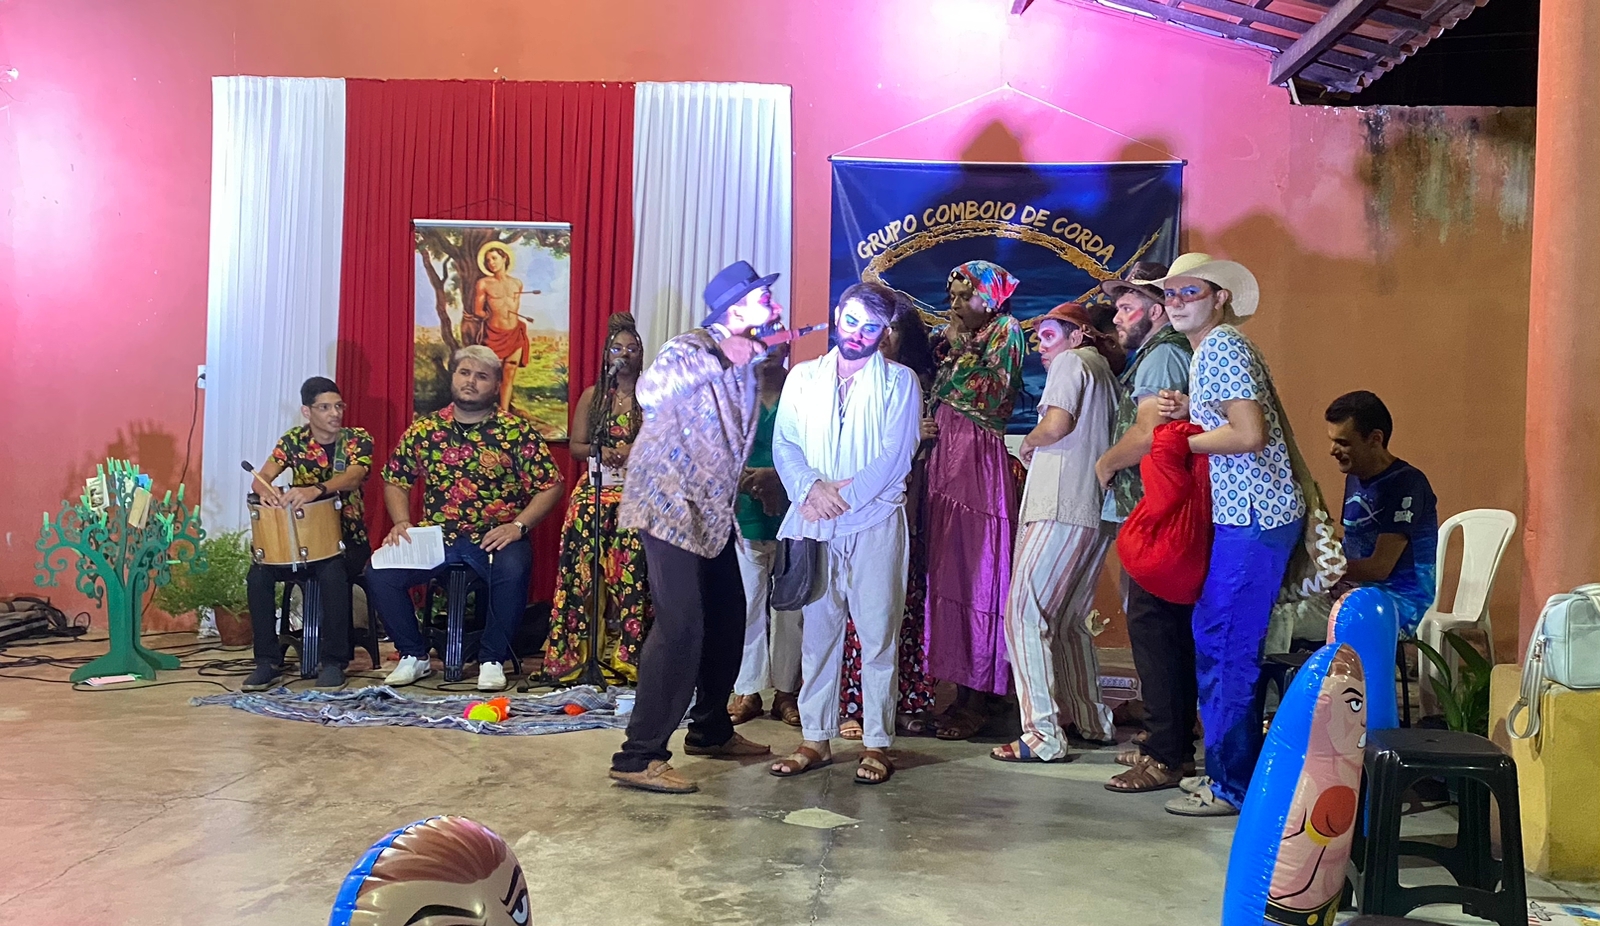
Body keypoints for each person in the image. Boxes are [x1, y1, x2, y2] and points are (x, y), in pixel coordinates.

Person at [608, 260, 780, 794]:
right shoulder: (691, 347)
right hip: (668, 504)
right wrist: (722, 356)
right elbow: (651, 391)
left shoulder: (749, 359)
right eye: (763, 299)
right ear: (735, 309)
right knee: (681, 625)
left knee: (728, 618)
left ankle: (709, 729)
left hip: (709, 510)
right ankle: (638, 755)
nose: (774, 306)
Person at [1154, 253, 1306, 817]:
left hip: (1253, 516)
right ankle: (1227, 771)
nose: (1176, 302)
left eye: (1188, 292)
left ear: (1219, 297)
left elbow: (1248, 433)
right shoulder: (1216, 349)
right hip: (1252, 515)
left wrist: (1180, 442)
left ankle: (1231, 785)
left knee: (1225, 644)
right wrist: (1192, 410)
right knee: (1220, 639)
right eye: (1169, 293)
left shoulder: (1219, 347)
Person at [767, 280, 922, 785]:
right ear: (838, 315)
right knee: (818, 634)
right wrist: (810, 489)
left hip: (874, 521)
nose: (858, 333)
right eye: (852, 321)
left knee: (877, 633)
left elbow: (896, 455)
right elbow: (785, 443)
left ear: (885, 331)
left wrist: (841, 500)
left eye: (871, 327)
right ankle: (815, 738)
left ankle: (876, 742)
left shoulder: (899, 382)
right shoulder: (803, 377)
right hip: (815, 520)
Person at [369, 345, 566, 692]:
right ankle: (413, 654)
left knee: (513, 568)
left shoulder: (515, 431)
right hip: (436, 537)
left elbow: (551, 485)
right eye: (465, 373)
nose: (471, 381)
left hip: (494, 536)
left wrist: (518, 526)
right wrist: (401, 521)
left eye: (481, 376)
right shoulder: (425, 428)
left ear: (496, 385)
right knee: (379, 571)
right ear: (453, 377)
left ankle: (492, 658)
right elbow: (395, 479)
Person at [989, 303, 1122, 763]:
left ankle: (1042, 734)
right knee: (1067, 622)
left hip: (1061, 505)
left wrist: (1028, 442)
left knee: (1024, 615)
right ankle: (1092, 720)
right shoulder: (1104, 373)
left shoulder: (1072, 363)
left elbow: (1057, 423)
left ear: (1077, 335)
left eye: (1048, 336)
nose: (1041, 347)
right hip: (1093, 510)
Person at [1091, 262, 1203, 794]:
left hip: (1154, 517)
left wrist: (1104, 464)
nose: (1117, 316)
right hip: (1163, 515)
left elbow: (1146, 431)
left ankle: (1164, 754)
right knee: (1167, 633)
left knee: (1154, 631)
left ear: (1155, 310)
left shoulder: (1161, 356)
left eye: (1127, 306)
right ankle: (1172, 742)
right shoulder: (1170, 352)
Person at [923, 260, 1028, 741]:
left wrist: (960, 345)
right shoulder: (954, 338)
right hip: (946, 459)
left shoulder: (1007, 331)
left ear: (990, 296)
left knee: (976, 573)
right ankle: (958, 685)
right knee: (948, 570)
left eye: (965, 295)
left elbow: (990, 391)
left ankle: (981, 693)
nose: (956, 304)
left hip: (977, 464)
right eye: (952, 296)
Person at [838, 301, 940, 739]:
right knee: (852, 613)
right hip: (854, 505)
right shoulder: (845, 379)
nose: (881, 336)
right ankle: (854, 705)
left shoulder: (918, 383)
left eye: (890, 328)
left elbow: (918, 452)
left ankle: (904, 703)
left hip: (912, 503)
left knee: (902, 611)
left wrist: (921, 436)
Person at [243, 376, 374, 691]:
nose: (335, 413)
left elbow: (354, 476)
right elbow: (260, 478)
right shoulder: (293, 441)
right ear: (307, 411)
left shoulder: (356, 440)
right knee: (258, 576)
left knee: (332, 572)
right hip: (298, 541)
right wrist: (267, 491)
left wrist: (317, 489)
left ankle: (333, 662)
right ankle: (267, 661)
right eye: (325, 407)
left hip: (347, 542)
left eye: (338, 406)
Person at [543, 314, 652, 684]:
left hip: (635, 497)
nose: (625, 354)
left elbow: (665, 442)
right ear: (607, 355)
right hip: (593, 494)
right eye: (617, 348)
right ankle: (579, 659)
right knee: (583, 577)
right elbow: (576, 446)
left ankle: (629, 659)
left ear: (641, 354)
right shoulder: (594, 397)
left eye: (632, 348)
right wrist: (601, 450)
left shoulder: (651, 395)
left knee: (632, 575)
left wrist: (635, 450)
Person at [728, 341, 804, 727]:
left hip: (795, 511)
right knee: (748, 602)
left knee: (790, 607)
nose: (769, 347)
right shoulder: (736, 395)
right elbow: (720, 449)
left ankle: (787, 692)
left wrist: (777, 477)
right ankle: (749, 689)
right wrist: (750, 481)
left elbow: (815, 449)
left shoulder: (804, 393)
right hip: (746, 510)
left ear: (788, 347)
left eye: (777, 340)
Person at [1324, 390, 1438, 635]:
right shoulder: (1355, 477)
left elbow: (1379, 568)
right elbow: (1353, 545)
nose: (1332, 450)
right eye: (1332, 440)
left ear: (1375, 439)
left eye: (1343, 442)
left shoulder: (1407, 484)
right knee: (1275, 607)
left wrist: (1320, 570)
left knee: (1282, 621)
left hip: (1398, 603)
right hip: (1355, 592)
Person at [469, 241, 532, 413]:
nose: (491, 263)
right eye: (488, 260)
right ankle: (484, 411)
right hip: (494, 334)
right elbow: (478, 310)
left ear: (504, 258)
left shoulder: (517, 283)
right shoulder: (483, 283)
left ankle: (504, 413)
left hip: (515, 333)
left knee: (509, 372)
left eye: (494, 258)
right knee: (489, 374)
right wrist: (488, 316)